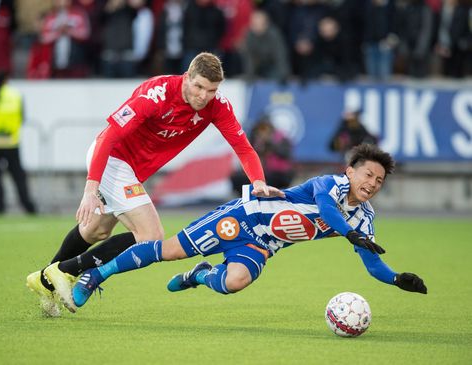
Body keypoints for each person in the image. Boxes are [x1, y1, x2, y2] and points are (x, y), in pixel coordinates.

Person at [26, 52, 282, 317]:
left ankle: (45, 280)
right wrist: (90, 189)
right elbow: (109, 137)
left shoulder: (217, 106)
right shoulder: (156, 95)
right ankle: (64, 272)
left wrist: (258, 181)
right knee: (151, 236)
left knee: (96, 231)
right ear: (187, 77)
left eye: (211, 90)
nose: (204, 96)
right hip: (113, 160)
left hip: (132, 171)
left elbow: (243, 147)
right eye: (198, 87)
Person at [67, 144, 427, 311]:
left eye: (379, 181)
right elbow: (327, 211)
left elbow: (371, 262)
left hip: (262, 244)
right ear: (351, 171)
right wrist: (350, 234)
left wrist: (395, 278)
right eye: (368, 174)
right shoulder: (330, 185)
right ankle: (96, 275)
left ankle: (200, 276)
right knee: (166, 250)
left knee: (233, 282)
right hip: (243, 217)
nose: (372, 183)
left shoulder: (364, 219)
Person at [0, 70, 37, 215]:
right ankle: (28, 206)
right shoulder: (16, 96)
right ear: (7, 79)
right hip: (11, 143)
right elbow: (22, 118)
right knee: (18, 177)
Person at [231, 115, 294, 192]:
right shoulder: (256, 140)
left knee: (272, 179)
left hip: (278, 173)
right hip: (262, 173)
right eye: (261, 129)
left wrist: (270, 144)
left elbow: (285, 154)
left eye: (266, 128)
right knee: (237, 178)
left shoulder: (282, 139)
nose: (263, 132)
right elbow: (249, 156)